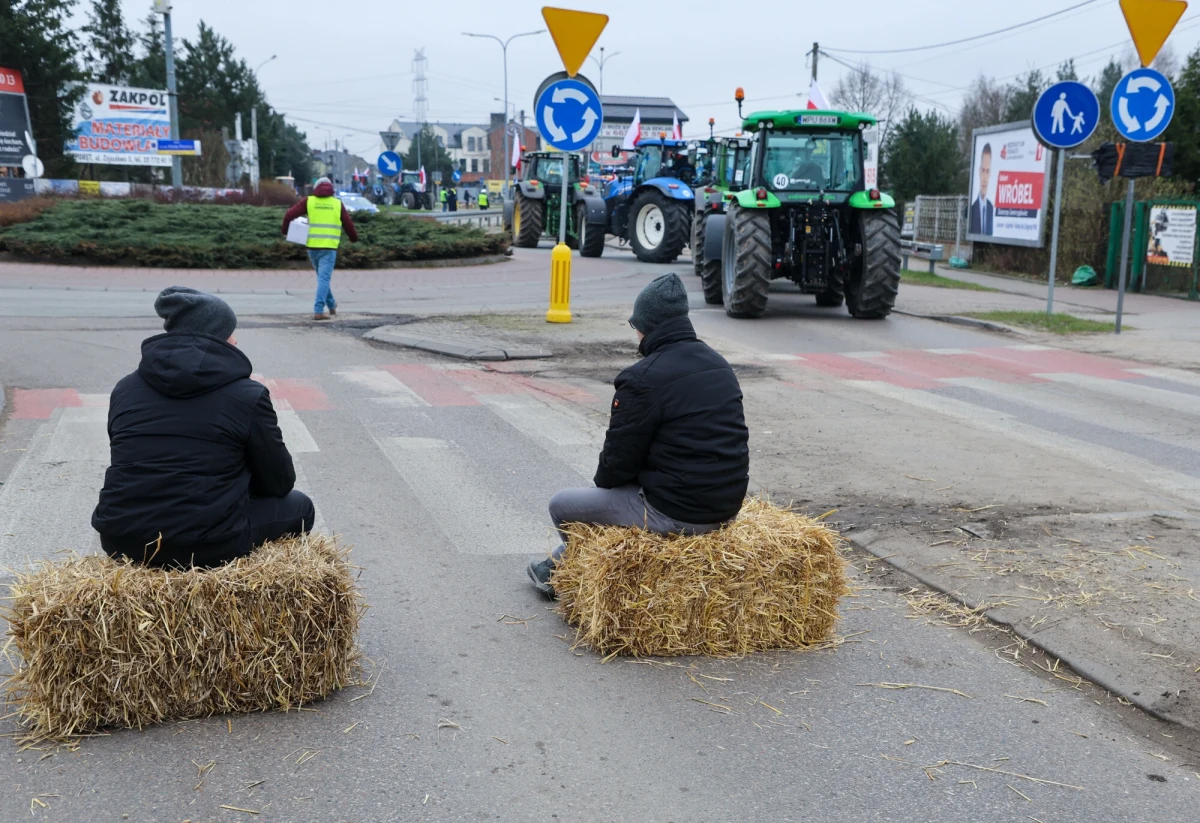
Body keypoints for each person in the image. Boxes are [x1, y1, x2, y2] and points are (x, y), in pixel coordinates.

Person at [526, 273, 750, 597]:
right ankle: (554, 565)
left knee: (562, 504)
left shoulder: (641, 378)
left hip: (677, 513)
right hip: (727, 507)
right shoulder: (720, 366)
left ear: (646, 326)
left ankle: (573, 573)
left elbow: (614, 469)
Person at [92, 287, 314, 569]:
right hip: (208, 544)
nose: (235, 339)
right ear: (215, 336)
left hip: (121, 541)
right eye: (230, 331)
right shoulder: (247, 395)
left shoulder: (125, 389)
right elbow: (279, 482)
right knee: (301, 507)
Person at [280, 177, 359, 321]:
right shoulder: (337, 204)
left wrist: (285, 231)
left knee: (322, 278)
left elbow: (289, 215)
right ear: (331, 188)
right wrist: (354, 238)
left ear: (316, 188)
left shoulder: (309, 201)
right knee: (324, 278)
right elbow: (348, 223)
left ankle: (332, 304)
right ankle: (318, 310)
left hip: (312, 247)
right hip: (329, 247)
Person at [969, 143, 994, 236]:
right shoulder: (972, 209)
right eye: (983, 170)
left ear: (990, 174)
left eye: (987, 171)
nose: (984, 178)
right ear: (979, 172)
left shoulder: (991, 208)